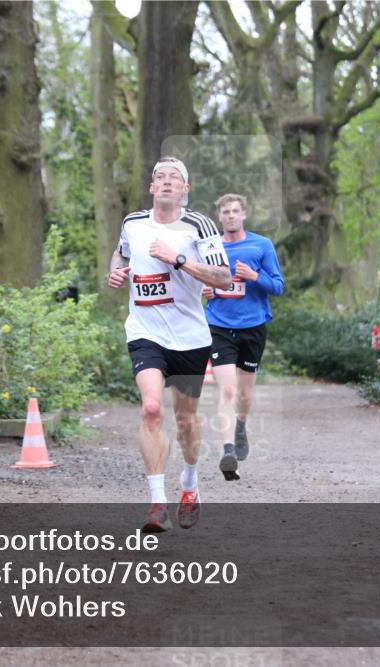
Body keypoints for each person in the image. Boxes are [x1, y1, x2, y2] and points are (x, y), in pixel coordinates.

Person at [108, 157, 231, 532]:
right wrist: (114, 270)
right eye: (159, 177)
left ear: (185, 190)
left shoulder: (198, 225)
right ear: (151, 187)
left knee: (186, 419)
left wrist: (177, 259)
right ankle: (156, 502)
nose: (165, 182)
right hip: (145, 331)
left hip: (190, 336)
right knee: (150, 409)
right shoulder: (133, 223)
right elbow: (121, 252)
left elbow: (223, 278)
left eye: (174, 178)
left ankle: (189, 486)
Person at [201, 194, 285, 481]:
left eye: (236, 211)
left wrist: (254, 276)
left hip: (253, 326)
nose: (231, 215)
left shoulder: (261, 245)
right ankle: (227, 451)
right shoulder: (210, 249)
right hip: (219, 325)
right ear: (220, 217)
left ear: (244, 215)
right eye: (226, 212)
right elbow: (197, 280)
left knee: (245, 394)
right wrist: (206, 289)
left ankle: (240, 426)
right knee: (227, 390)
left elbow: (278, 286)